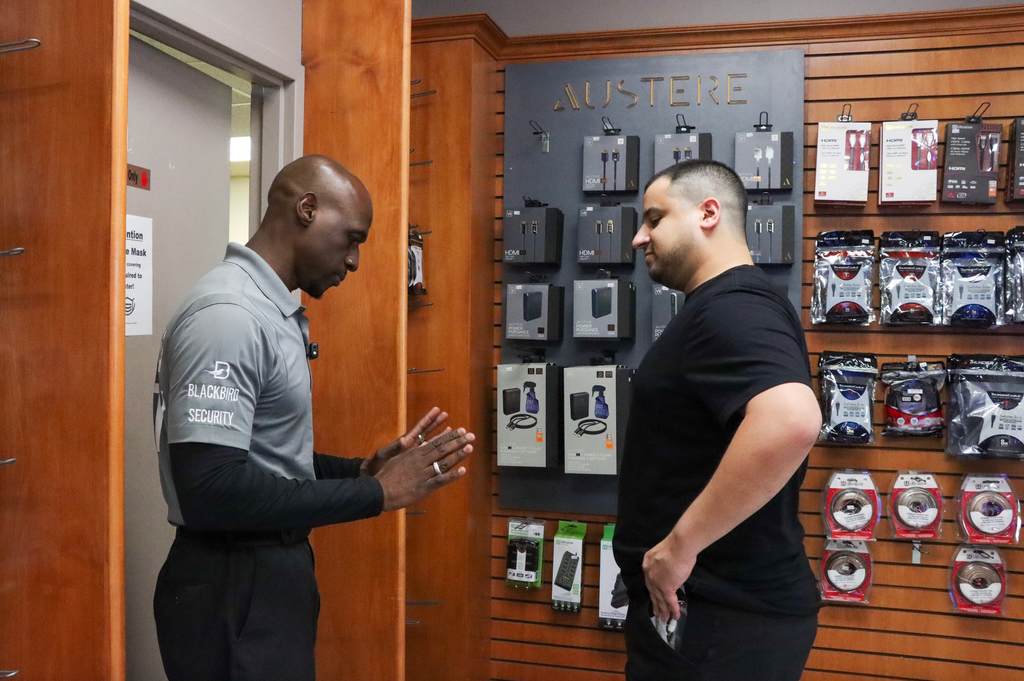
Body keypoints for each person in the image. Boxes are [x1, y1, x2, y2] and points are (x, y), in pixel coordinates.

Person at [152, 154, 474, 681]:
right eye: (351, 238)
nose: (354, 261)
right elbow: (209, 487)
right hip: (232, 582)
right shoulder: (229, 317)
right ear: (306, 208)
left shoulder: (271, 310)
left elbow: (263, 456)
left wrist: (359, 472)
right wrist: (378, 493)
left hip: (267, 575)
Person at [613, 160, 822, 681]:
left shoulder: (731, 307)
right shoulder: (729, 306)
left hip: (720, 619)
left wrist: (678, 549)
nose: (640, 238)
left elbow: (791, 419)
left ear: (708, 213)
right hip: (713, 617)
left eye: (654, 219)